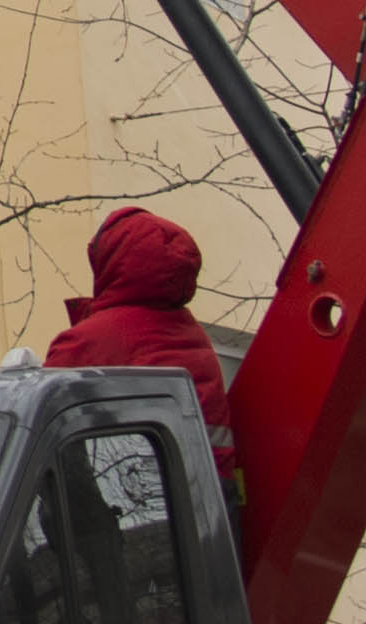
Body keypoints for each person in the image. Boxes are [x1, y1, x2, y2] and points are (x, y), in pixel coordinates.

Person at [45, 205, 238, 488]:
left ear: (111, 261)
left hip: (143, 497)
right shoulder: (191, 333)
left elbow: (43, 425)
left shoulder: (89, 341)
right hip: (213, 495)